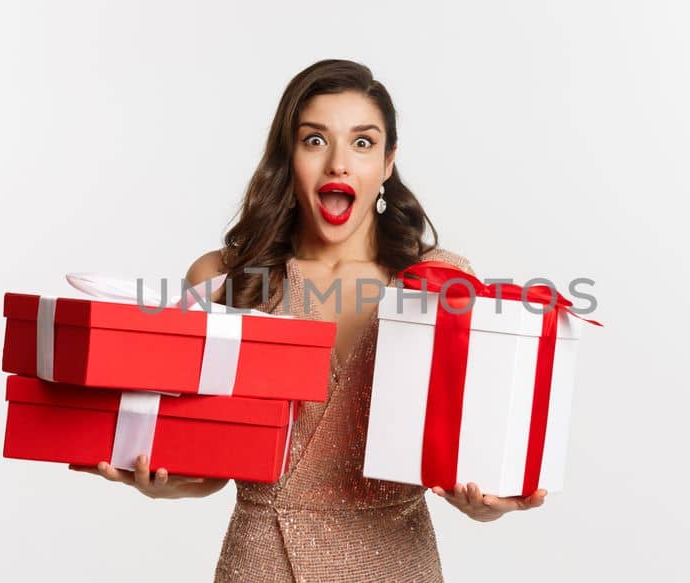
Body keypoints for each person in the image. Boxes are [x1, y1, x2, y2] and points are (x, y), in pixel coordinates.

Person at [69, 59, 547, 581]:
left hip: (398, 563)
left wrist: (484, 504)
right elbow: (209, 466)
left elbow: (465, 456)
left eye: (362, 143)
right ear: (288, 157)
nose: (338, 164)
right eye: (315, 141)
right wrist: (165, 483)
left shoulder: (441, 282)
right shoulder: (224, 280)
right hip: (263, 562)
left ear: (387, 163)